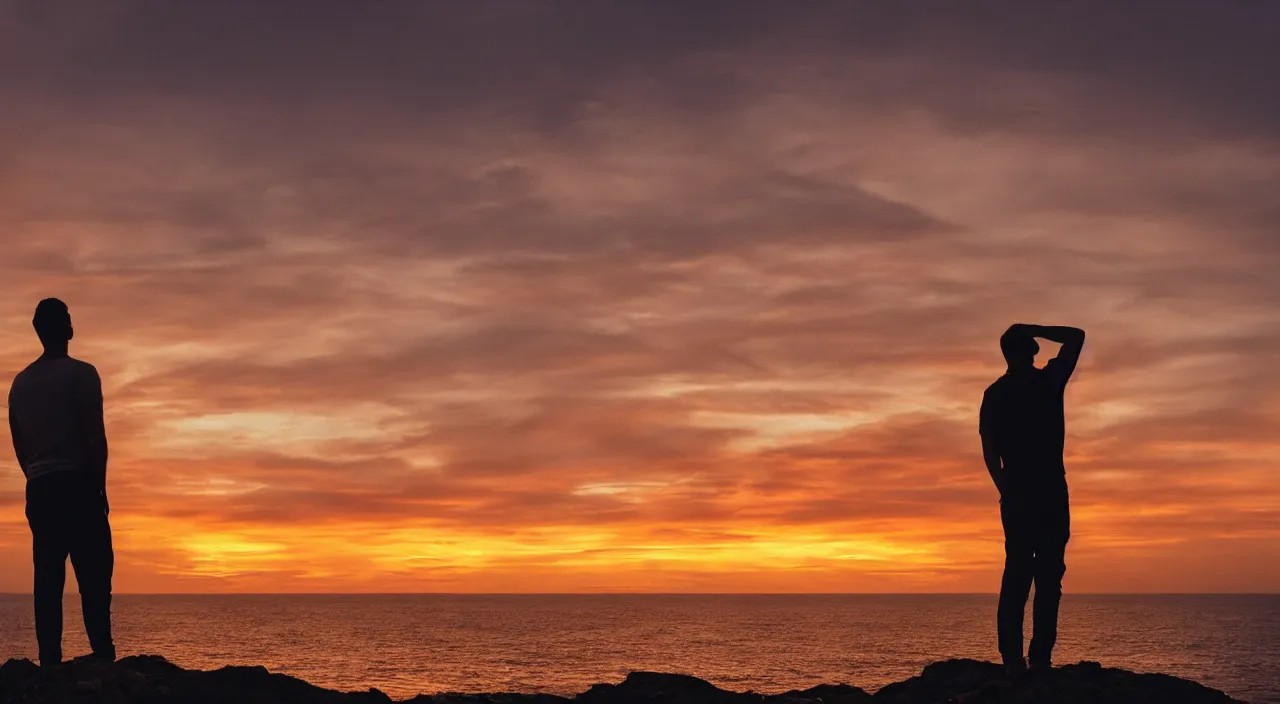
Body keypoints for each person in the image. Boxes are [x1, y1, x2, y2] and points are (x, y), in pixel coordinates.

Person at [7, 298, 115, 666]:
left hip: (39, 488)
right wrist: (99, 489)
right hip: (78, 484)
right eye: (68, 318)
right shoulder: (83, 374)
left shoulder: (19, 384)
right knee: (95, 574)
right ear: (66, 327)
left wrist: (38, 477)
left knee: (48, 579)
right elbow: (95, 438)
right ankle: (103, 655)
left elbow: (19, 446)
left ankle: (49, 662)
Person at [979, 323, 1085, 676]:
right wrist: (1034, 327)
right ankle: (1037, 659)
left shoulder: (996, 393)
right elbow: (1076, 336)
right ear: (1033, 351)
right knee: (1045, 577)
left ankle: (1015, 661)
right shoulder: (1047, 383)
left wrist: (1004, 489)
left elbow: (989, 452)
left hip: (1021, 492)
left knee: (1019, 576)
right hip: (1049, 490)